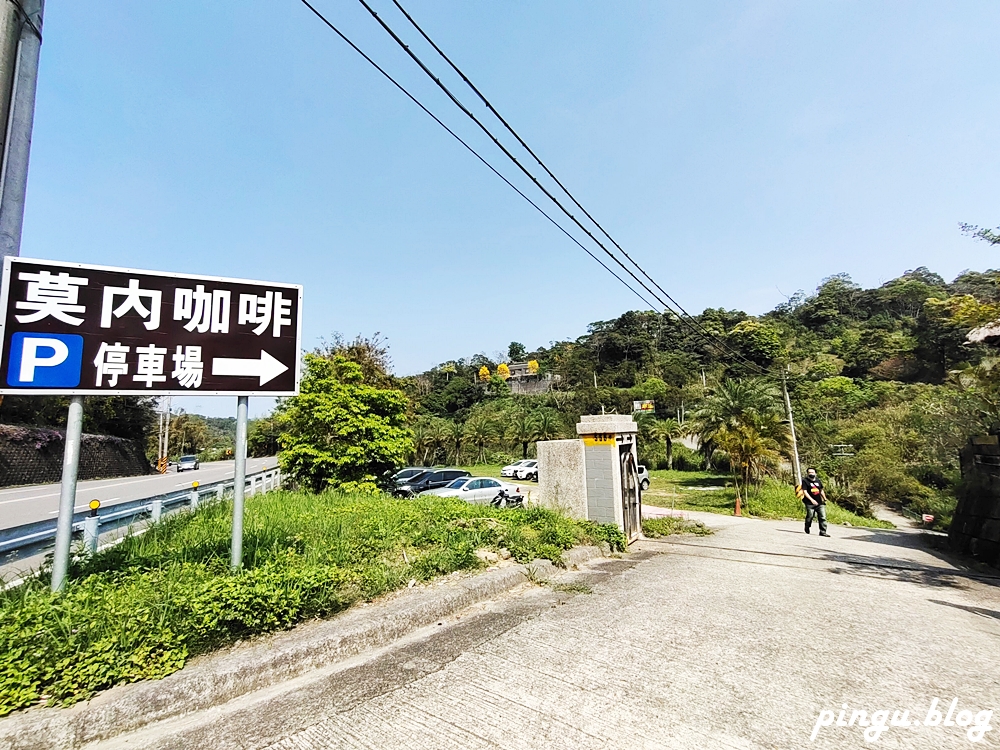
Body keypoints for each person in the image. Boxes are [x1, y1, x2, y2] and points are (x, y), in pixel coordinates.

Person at [797, 467, 830, 536]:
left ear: (815, 473)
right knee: (810, 516)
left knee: (822, 517)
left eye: (812, 472)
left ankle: (823, 531)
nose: (811, 474)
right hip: (809, 503)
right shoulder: (805, 481)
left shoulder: (818, 481)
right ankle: (807, 526)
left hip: (819, 502)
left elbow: (821, 490)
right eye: (809, 472)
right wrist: (811, 500)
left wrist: (824, 498)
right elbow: (805, 492)